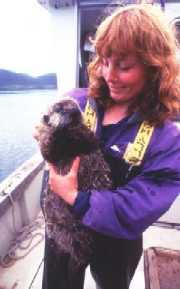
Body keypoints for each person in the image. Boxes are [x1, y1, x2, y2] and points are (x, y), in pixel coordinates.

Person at [37, 4, 180, 289]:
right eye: (103, 60)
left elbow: (140, 205)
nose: (109, 74)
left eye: (124, 66)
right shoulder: (76, 102)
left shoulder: (166, 140)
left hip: (116, 239)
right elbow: (46, 140)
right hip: (62, 226)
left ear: (154, 69)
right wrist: (45, 135)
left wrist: (77, 198)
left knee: (113, 283)